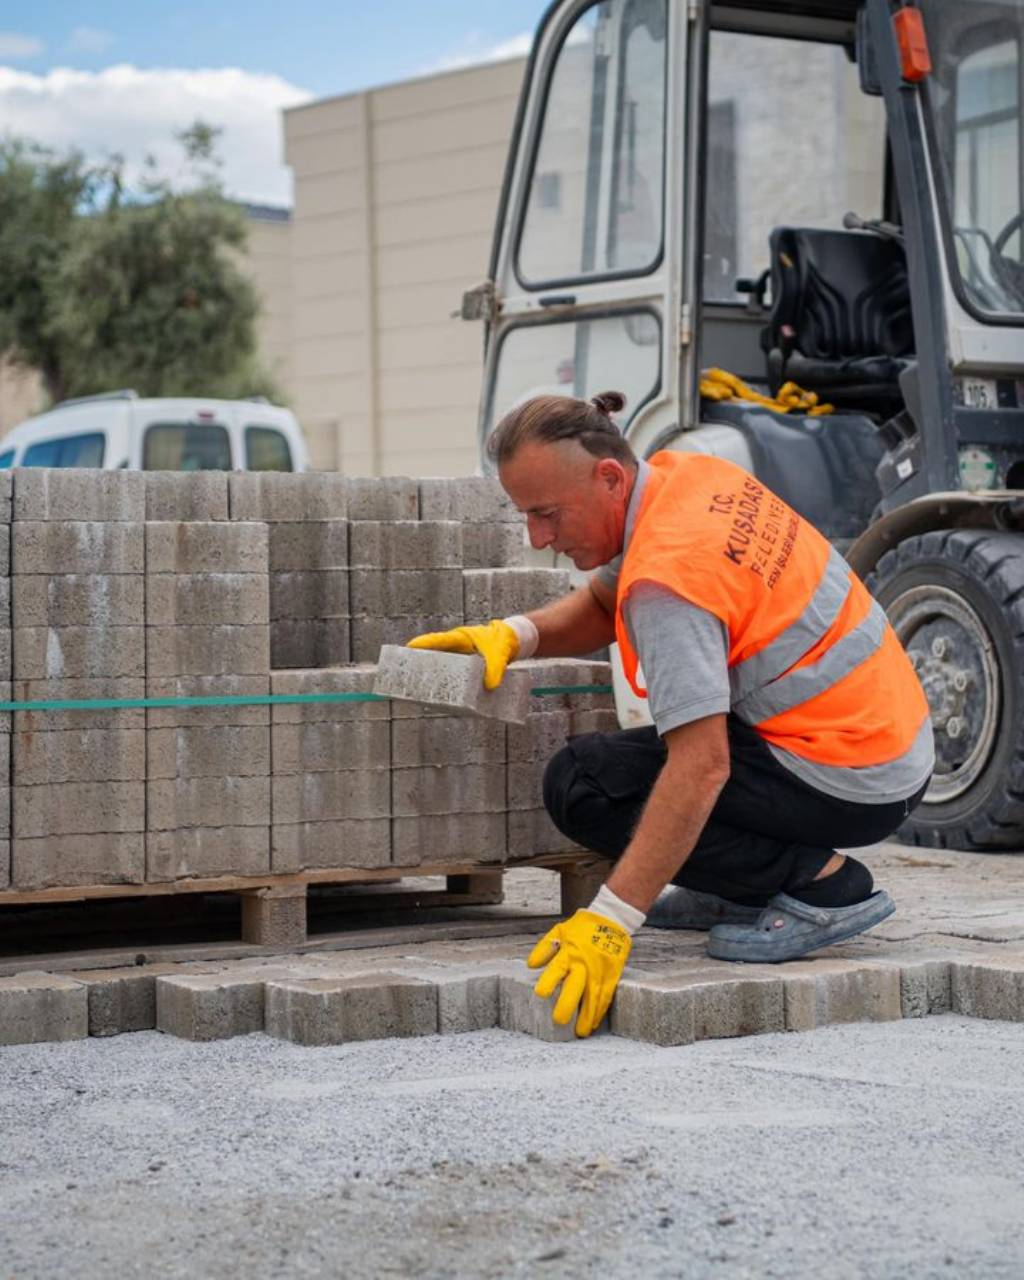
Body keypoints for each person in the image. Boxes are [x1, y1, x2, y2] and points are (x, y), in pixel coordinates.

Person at [409, 391, 934, 1039]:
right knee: (622, 766)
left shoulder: (670, 583)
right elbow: (605, 602)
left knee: (584, 784)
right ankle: (743, 885)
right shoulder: (687, 479)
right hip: (888, 741)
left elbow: (702, 765)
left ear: (608, 478)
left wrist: (612, 919)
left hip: (850, 776)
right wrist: (513, 635)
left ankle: (822, 885)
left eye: (546, 514)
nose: (537, 538)